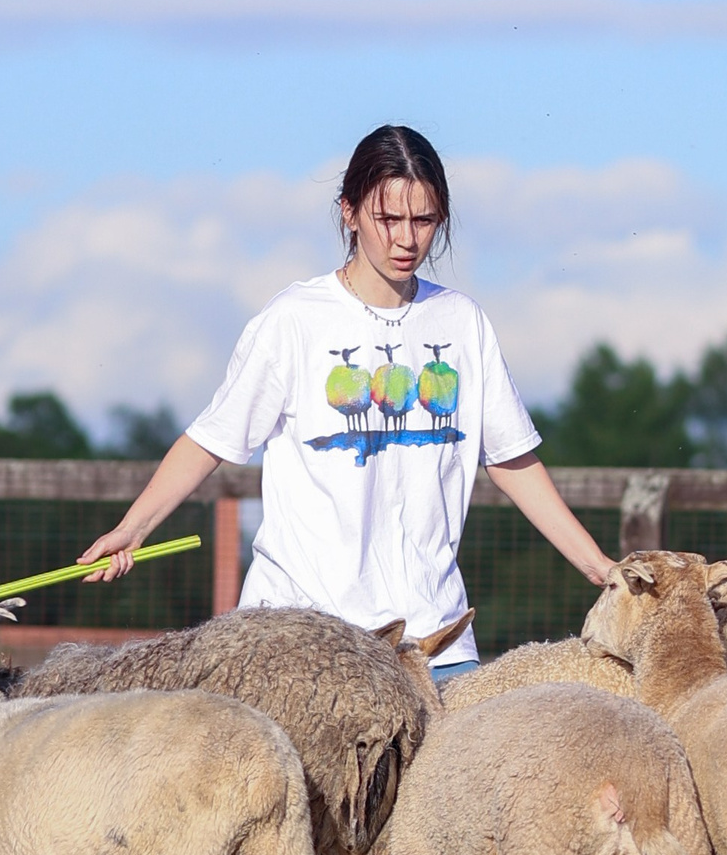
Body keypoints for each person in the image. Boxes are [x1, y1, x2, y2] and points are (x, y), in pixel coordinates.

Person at [80, 124, 613, 679]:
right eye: (388, 219)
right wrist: (133, 529)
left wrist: (599, 566)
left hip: (434, 645)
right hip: (301, 643)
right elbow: (211, 439)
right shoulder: (294, 320)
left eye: (424, 220)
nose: (406, 239)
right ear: (349, 212)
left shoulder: (463, 323)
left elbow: (510, 458)